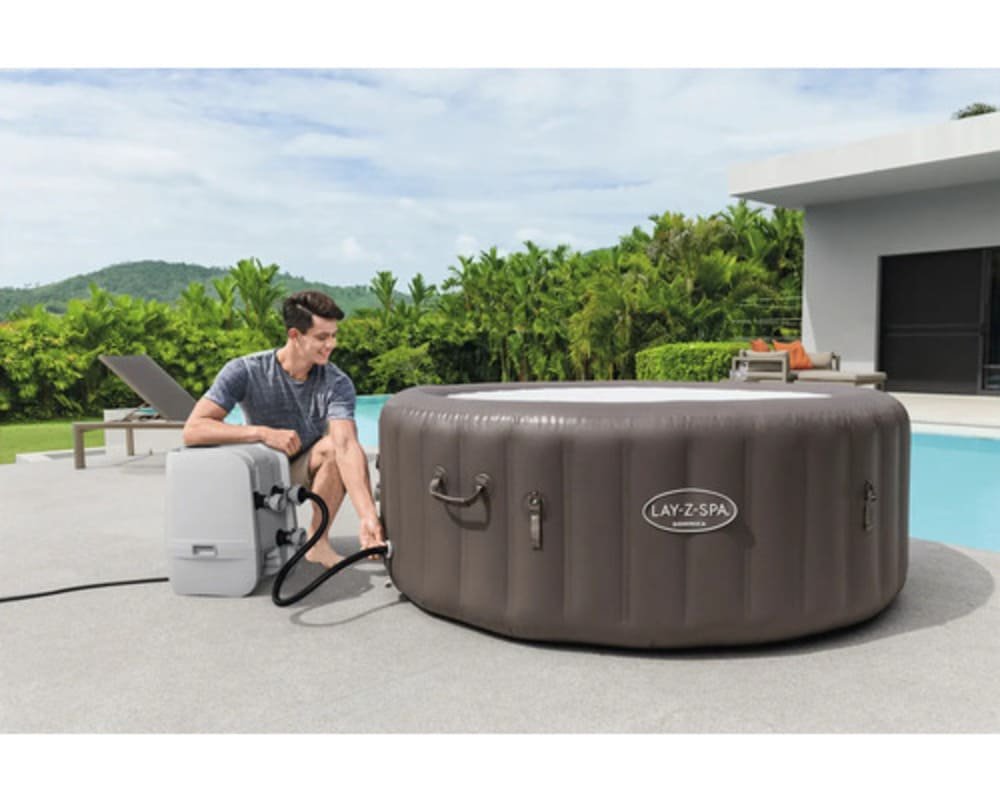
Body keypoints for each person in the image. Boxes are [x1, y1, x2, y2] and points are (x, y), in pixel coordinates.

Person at [183, 290, 385, 568]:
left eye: (334, 335)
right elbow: (193, 429)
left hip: (302, 466)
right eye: (322, 337)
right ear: (295, 335)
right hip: (260, 470)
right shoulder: (245, 370)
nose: (331, 344)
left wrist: (368, 516)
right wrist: (263, 433)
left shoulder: (336, 382)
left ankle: (317, 543)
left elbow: (346, 445)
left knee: (331, 449)